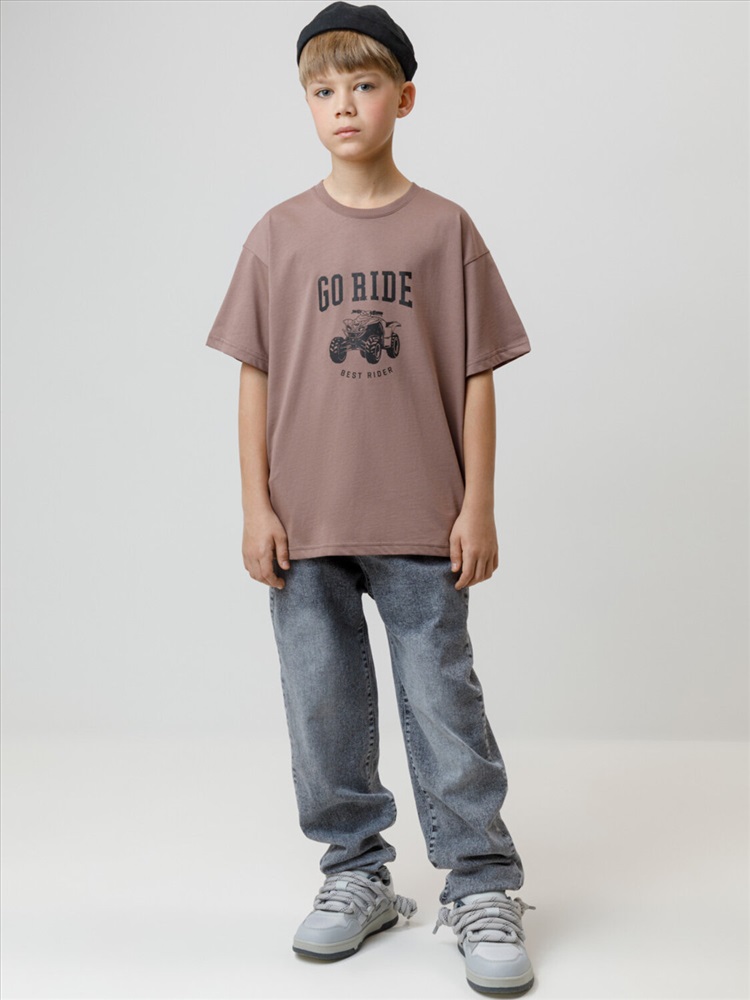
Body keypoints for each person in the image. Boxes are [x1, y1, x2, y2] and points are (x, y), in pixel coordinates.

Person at [206, 2, 535, 995]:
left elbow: (478, 374)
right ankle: (356, 872)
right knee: (322, 706)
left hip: (422, 516)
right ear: (306, 104)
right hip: (304, 522)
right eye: (323, 89)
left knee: (443, 701)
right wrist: (255, 506)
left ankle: (481, 882)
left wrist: (478, 504)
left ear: (405, 97)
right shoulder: (278, 235)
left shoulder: (445, 229)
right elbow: (254, 377)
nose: (343, 105)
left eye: (362, 85)